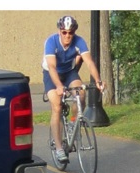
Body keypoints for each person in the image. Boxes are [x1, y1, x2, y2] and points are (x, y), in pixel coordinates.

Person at [43, 15, 105, 163]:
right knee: (57, 105)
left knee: (81, 95)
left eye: (70, 33)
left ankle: (72, 124)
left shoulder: (79, 41)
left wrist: (98, 81)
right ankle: (59, 149)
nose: (67, 36)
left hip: (69, 72)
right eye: (64, 32)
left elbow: (89, 62)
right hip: (52, 74)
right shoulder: (51, 42)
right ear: (60, 31)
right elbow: (51, 66)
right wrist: (58, 86)